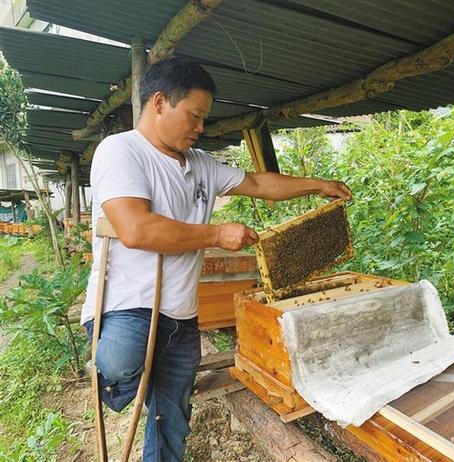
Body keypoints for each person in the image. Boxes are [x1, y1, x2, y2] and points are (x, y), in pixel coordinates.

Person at [81, 56, 352, 461]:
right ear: (159, 103)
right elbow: (136, 229)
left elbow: (260, 182)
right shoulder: (121, 151)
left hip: (182, 315)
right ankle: (115, 384)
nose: (200, 127)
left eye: (204, 118)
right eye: (194, 115)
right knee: (120, 363)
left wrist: (319, 185)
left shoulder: (202, 165)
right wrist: (216, 234)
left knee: (171, 418)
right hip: (128, 306)